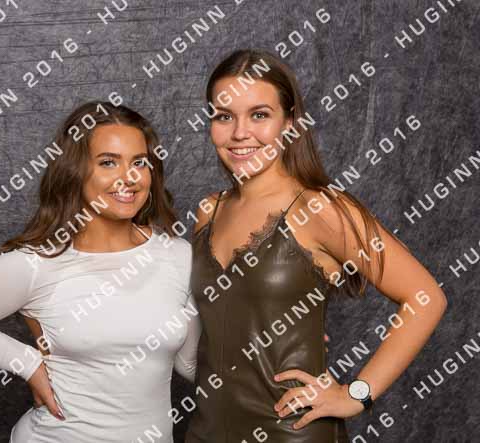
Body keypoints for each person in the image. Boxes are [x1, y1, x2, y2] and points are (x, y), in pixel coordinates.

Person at [184, 49, 448, 442]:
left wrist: (356, 394)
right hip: (206, 431)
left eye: (259, 115)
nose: (240, 133)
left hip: (291, 431)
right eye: (224, 116)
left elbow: (425, 297)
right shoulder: (209, 211)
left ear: (289, 123)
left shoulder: (319, 209)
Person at [0, 101, 202, 443]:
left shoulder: (179, 256)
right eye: (108, 162)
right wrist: (27, 362)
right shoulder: (37, 264)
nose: (130, 177)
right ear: (75, 172)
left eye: (139, 162)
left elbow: (191, 364)